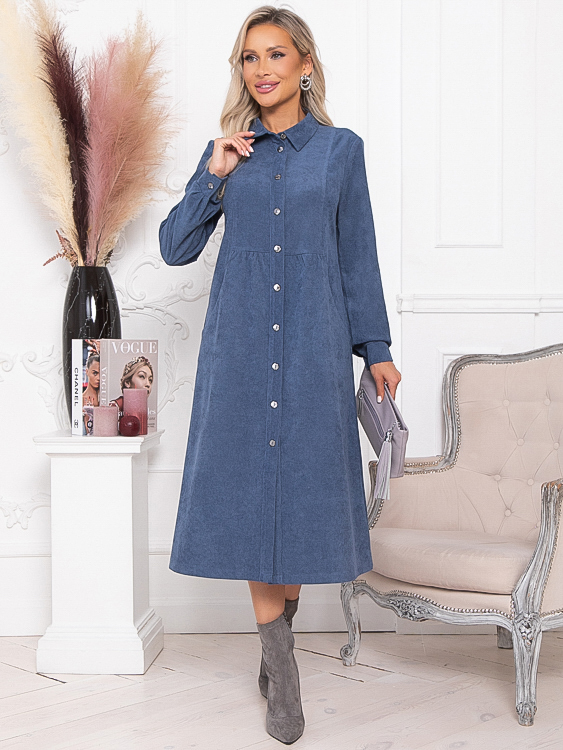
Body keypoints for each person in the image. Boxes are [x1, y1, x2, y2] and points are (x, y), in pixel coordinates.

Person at [159, 5, 401, 744]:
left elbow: (357, 252)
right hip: (238, 354)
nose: (260, 69)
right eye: (248, 57)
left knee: (293, 504)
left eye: (274, 54)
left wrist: (376, 347)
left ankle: (275, 648)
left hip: (311, 349)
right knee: (251, 503)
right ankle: (284, 673)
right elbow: (173, 249)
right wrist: (213, 176)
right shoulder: (228, 152)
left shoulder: (339, 151)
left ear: (304, 65)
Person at [109, 356, 154, 420]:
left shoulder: (144, 410)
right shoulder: (116, 406)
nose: (148, 384)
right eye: (142, 376)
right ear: (127, 382)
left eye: (150, 380)